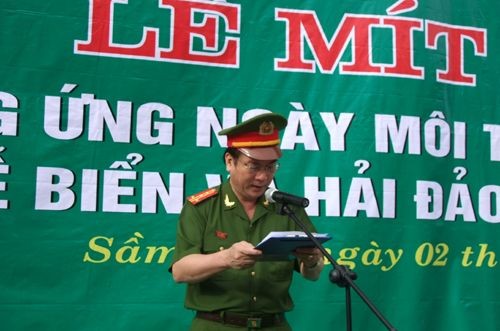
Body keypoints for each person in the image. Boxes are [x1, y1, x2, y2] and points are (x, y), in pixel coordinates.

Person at [171, 112, 324, 330]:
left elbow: (312, 274)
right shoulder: (201, 208)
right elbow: (181, 271)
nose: (263, 177)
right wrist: (226, 258)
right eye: (253, 166)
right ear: (229, 161)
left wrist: (312, 261)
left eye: (270, 167)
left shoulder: (289, 209)